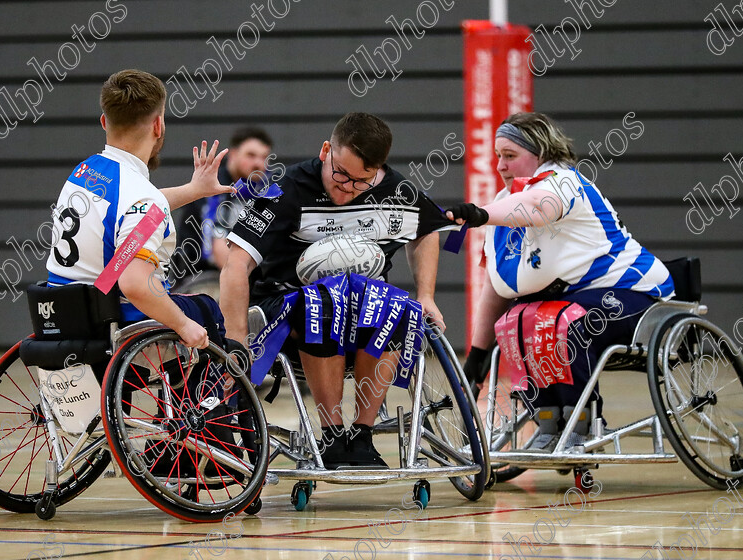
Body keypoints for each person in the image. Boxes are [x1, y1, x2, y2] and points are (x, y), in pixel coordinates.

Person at [219, 112, 456, 468]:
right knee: (326, 300)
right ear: (326, 150)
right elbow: (235, 264)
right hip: (288, 308)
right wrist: (236, 338)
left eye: (361, 181)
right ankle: (331, 433)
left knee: (397, 306)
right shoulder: (283, 190)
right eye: (340, 174)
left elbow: (427, 230)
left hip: (363, 315)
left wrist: (426, 295)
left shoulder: (396, 190)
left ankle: (361, 434)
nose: (347, 187)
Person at [446, 112, 674, 452]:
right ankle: (549, 420)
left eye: (509, 156)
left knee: (563, 321)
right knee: (515, 322)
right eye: (497, 157)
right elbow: (495, 285)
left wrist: (478, 215)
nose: (500, 166)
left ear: (539, 153)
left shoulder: (563, 182)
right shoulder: (503, 206)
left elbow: (538, 206)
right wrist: (477, 356)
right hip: (574, 303)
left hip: (637, 295)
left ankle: (580, 424)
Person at [45, 69, 236, 351]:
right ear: (158, 125)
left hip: (61, 312)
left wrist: (194, 191)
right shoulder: (141, 198)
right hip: (114, 320)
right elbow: (134, 283)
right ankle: (211, 395)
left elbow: (131, 213)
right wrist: (183, 325)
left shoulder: (85, 171)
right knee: (205, 309)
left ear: (103, 122)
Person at [180, 126, 274, 270]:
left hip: (243, 272)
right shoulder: (212, 185)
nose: (258, 163)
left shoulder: (267, 189)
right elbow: (219, 250)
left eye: (264, 157)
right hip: (201, 277)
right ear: (233, 154)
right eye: (251, 155)